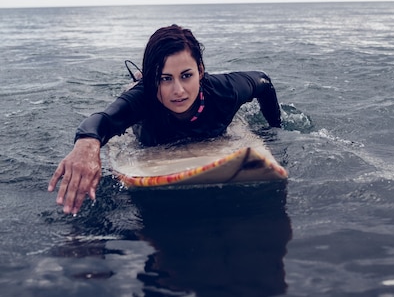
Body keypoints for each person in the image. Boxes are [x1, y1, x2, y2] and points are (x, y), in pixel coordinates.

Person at [49, 24, 282, 214]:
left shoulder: (225, 91)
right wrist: (87, 144)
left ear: (200, 71)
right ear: (153, 83)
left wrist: (274, 129)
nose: (178, 90)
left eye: (187, 75)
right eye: (165, 79)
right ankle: (142, 77)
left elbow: (264, 81)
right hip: (146, 121)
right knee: (136, 90)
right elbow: (102, 120)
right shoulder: (143, 100)